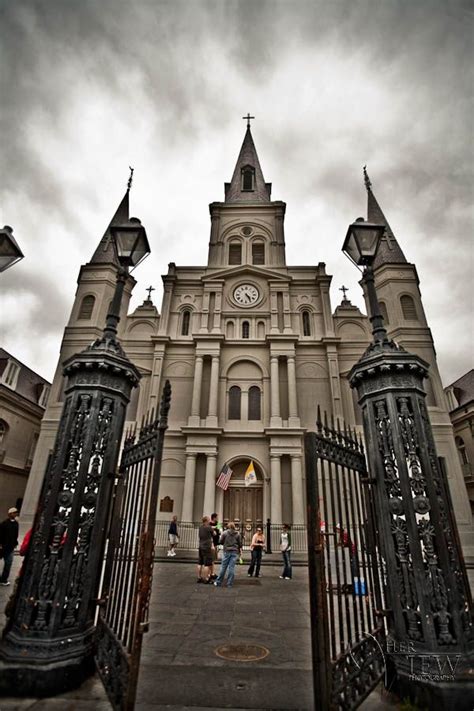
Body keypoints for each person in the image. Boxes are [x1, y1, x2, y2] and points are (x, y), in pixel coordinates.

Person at [214, 521, 242, 588]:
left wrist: (225, 543)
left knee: (223, 567)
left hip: (226, 551)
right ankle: (229, 583)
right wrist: (239, 550)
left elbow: (220, 541)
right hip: (234, 552)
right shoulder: (238, 534)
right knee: (231, 568)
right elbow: (240, 544)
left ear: (228, 526)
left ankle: (218, 582)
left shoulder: (225, 533)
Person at [0, 507, 19, 586]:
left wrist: (15, 543)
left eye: (16, 512)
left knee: (8, 563)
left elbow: (15, 535)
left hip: (10, 547)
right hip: (2, 547)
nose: (16, 514)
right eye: (14, 512)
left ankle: (3, 579)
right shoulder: (4, 523)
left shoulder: (16, 524)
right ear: (10, 514)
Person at [197, 515, 214, 583]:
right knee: (207, 564)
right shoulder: (209, 527)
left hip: (201, 546)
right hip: (207, 547)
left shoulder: (200, 527)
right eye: (209, 520)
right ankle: (207, 579)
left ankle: (199, 577)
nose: (210, 521)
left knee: (200, 563)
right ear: (206, 521)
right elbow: (214, 534)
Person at [209, 512, 220, 581]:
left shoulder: (217, 523)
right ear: (214, 517)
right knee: (211, 559)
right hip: (211, 544)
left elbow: (219, 529)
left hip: (216, 543)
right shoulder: (209, 524)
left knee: (214, 559)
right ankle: (210, 573)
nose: (217, 518)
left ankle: (212, 572)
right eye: (217, 517)